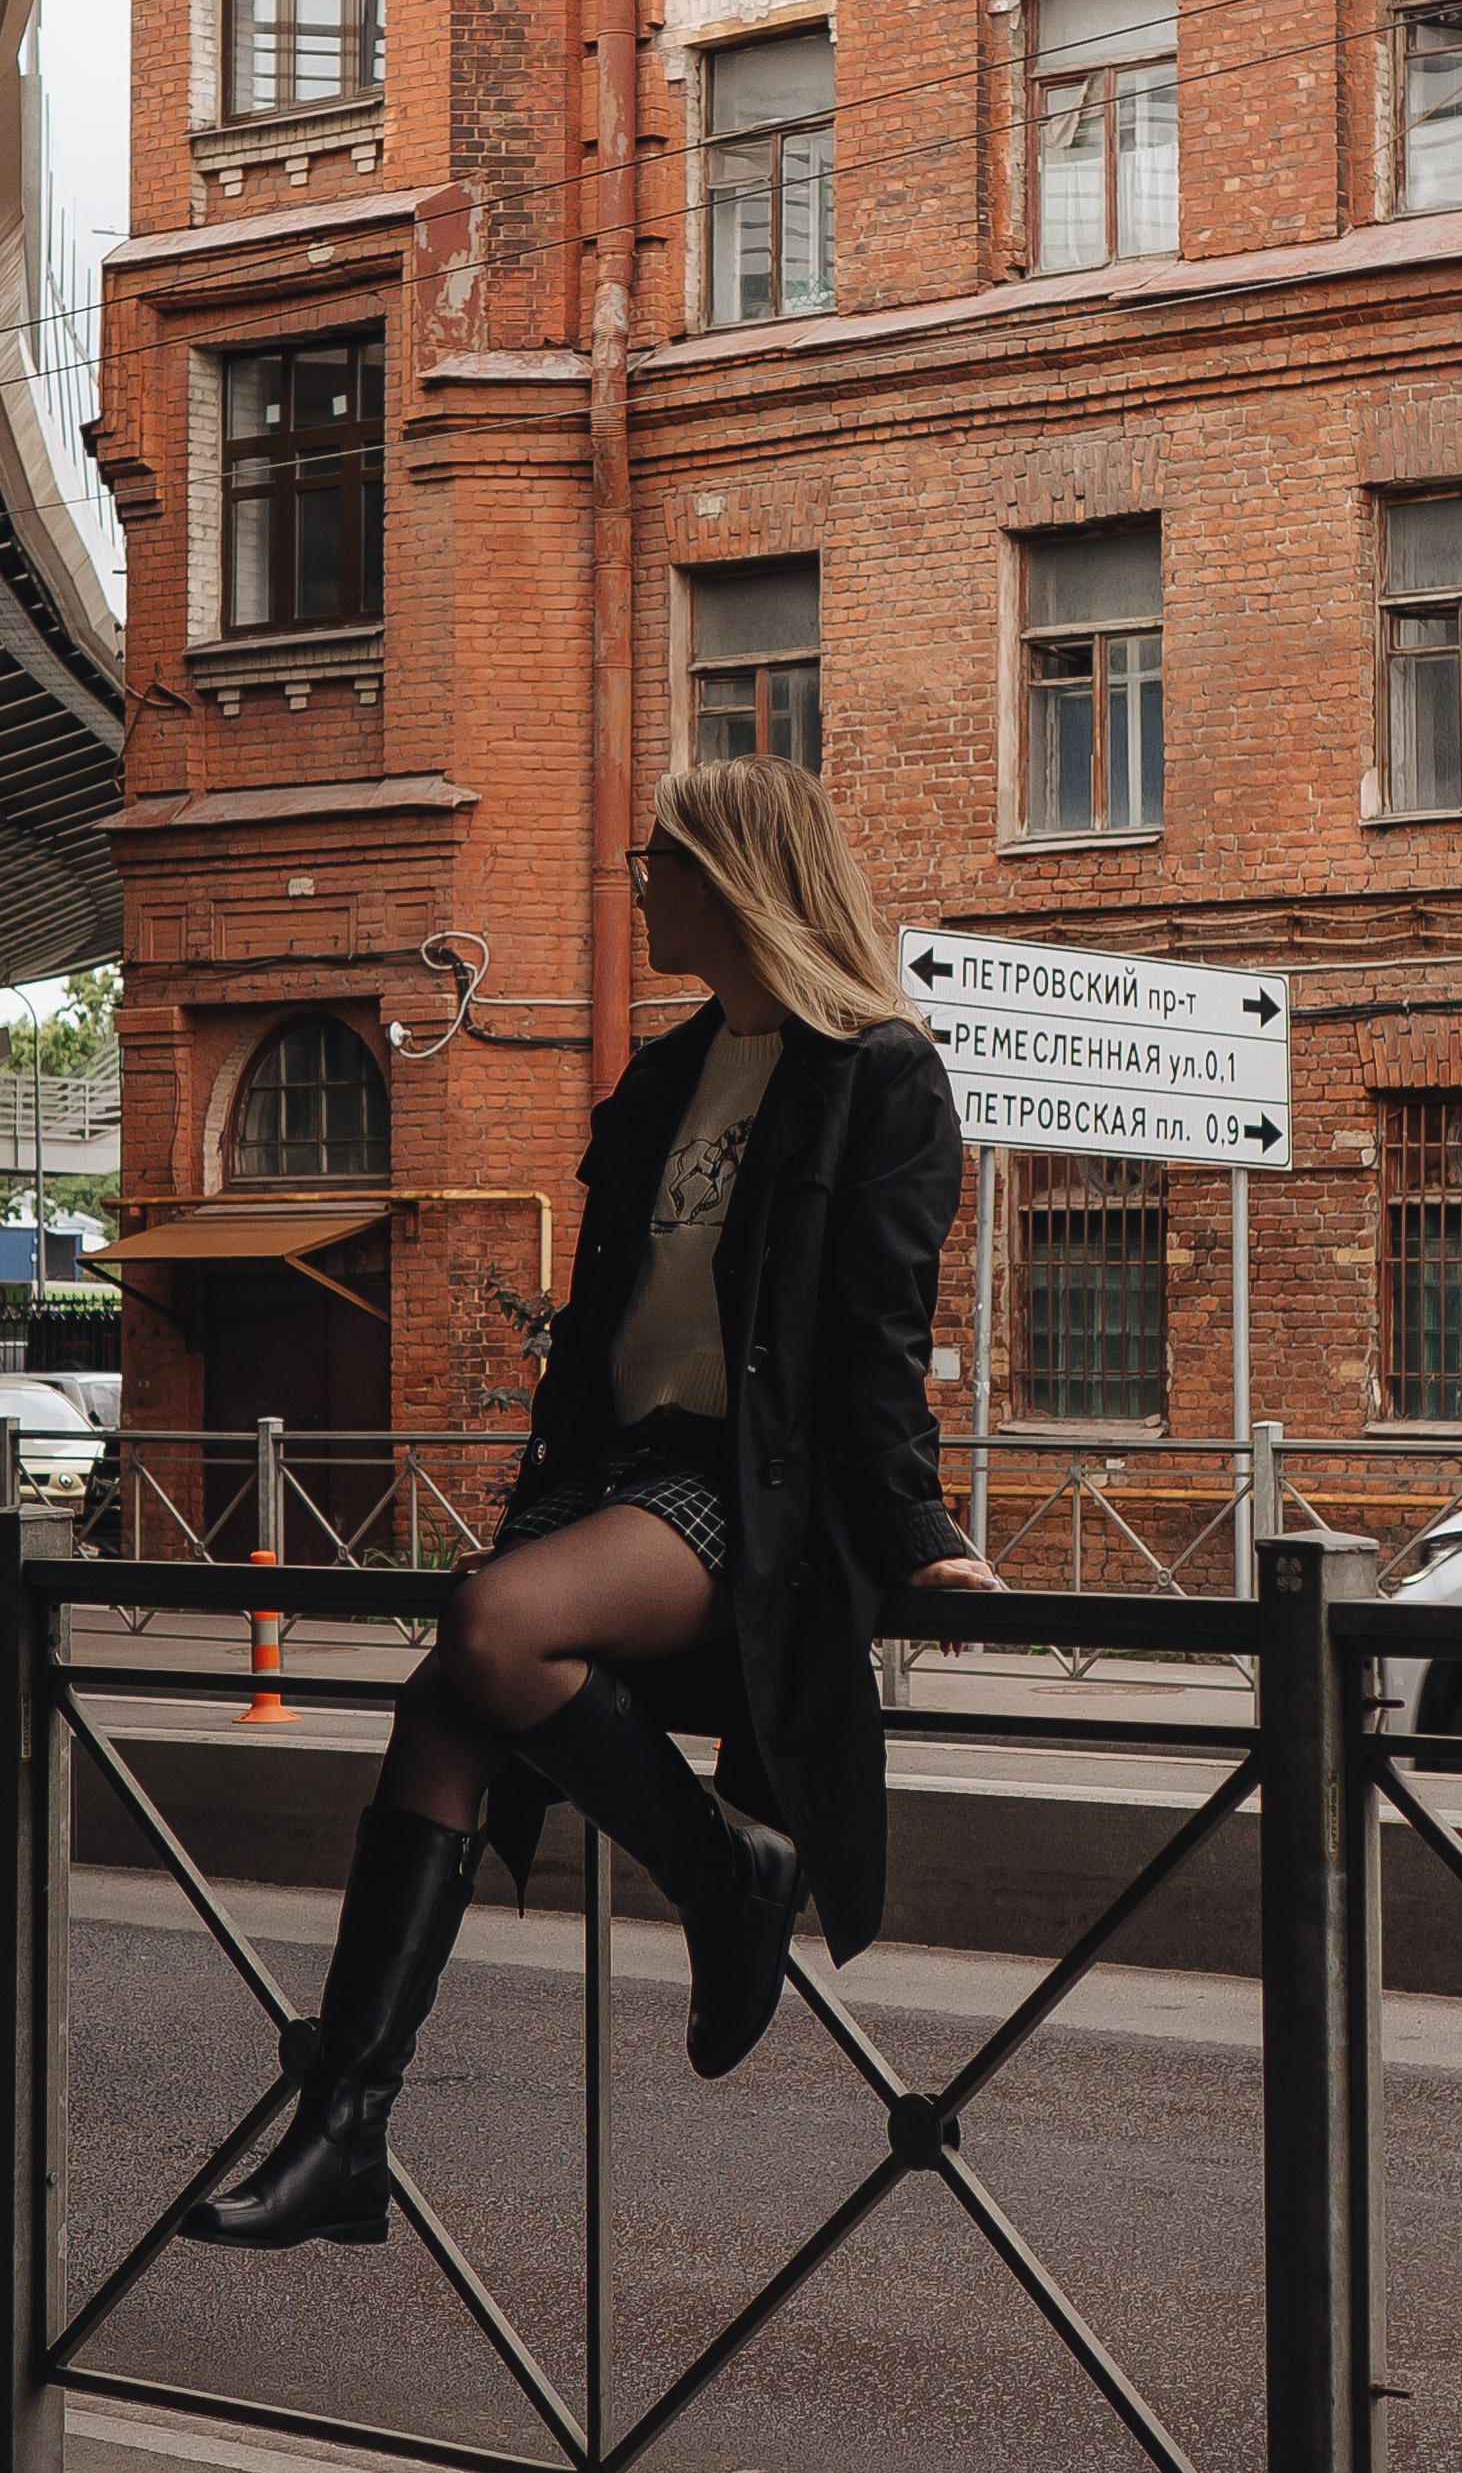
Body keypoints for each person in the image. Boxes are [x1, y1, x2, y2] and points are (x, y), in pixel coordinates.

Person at [186, 754, 997, 2253]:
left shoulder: (877, 1074)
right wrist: (544, 1502)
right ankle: (345, 2132)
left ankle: (727, 1870)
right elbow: (597, 1330)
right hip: (619, 1483)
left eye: (661, 861)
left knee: (491, 1624)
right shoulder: (664, 1086)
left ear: (737, 878)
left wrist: (919, 1533)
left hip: (747, 1497)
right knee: (446, 1698)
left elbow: (877, 1335)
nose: (638, 886)